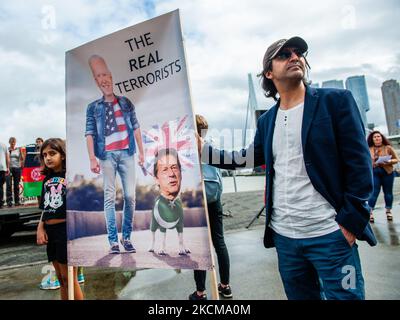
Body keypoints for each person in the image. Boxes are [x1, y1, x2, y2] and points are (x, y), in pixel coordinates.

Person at [199, 36, 376, 300]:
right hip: (285, 239)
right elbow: (245, 158)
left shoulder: (337, 101)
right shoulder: (267, 120)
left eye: (299, 53)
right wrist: (202, 149)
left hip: (331, 235)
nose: (295, 57)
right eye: (284, 55)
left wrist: (350, 224)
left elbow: (360, 166)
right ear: (269, 72)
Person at [85, 55, 145, 254]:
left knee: (130, 196)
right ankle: (113, 241)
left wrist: (142, 153)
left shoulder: (126, 103)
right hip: (106, 156)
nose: (103, 79)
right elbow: (90, 133)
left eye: (105, 74)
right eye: (98, 76)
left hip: (127, 153)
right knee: (109, 197)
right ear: (96, 81)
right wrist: (92, 158)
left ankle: (126, 237)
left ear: (111, 76)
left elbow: (136, 128)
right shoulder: (93, 108)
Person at [189, 115, 232, 301]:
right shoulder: (212, 144)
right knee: (219, 242)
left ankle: (200, 293)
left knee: (198, 247)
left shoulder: (189, 149)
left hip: (197, 200)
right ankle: (225, 286)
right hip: (215, 199)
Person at [36, 138, 84, 300]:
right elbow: (44, 208)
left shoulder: (71, 176)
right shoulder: (46, 180)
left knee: (69, 278)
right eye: (44, 155)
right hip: (51, 232)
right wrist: (40, 228)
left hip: (67, 231)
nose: (47, 158)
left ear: (62, 155)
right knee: (61, 280)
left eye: (52, 153)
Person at [148, 148, 190, 256]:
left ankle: (182, 245)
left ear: (181, 172)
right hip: (160, 210)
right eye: (164, 169)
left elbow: (180, 225)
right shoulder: (159, 204)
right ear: (156, 178)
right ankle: (155, 245)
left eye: (174, 167)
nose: (171, 174)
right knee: (154, 227)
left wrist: (181, 245)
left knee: (180, 226)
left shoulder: (178, 203)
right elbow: (161, 224)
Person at [367, 131, 399, 222]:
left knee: (388, 192)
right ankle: (370, 212)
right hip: (374, 172)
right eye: (375, 137)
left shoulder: (388, 148)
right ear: (372, 139)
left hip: (387, 172)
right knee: (374, 193)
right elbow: (365, 161)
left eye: (379, 136)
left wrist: (389, 161)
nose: (377, 138)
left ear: (382, 138)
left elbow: (397, 159)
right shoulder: (369, 149)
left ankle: (388, 211)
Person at [6, 137, 25, 207]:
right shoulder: (7, 150)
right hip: (9, 168)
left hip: (17, 168)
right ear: (9, 142)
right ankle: (9, 201)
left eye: (14, 142)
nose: (13, 143)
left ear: (15, 142)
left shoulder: (18, 149)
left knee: (16, 185)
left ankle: (17, 201)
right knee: (9, 185)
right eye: (11, 142)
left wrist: (21, 152)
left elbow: (22, 158)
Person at [0, 141, 10, 209]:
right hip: (2, 168)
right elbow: (7, 158)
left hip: (2, 168)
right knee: (0, 186)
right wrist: (8, 168)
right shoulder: (4, 145)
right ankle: (1, 203)